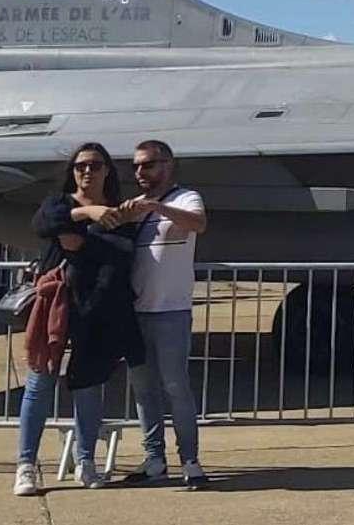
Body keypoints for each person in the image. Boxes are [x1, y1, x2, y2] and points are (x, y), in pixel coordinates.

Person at [14, 142, 144, 495]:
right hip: (55, 306)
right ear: (72, 170)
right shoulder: (60, 202)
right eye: (81, 165)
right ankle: (26, 465)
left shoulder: (120, 214)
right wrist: (89, 215)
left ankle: (86, 461)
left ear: (107, 171)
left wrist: (79, 240)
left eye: (96, 165)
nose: (88, 171)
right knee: (39, 384)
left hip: (98, 309)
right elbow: (44, 223)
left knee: (88, 388)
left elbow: (121, 253)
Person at [116, 139, 211, 489]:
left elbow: (198, 223)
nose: (141, 172)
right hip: (137, 311)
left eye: (148, 165)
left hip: (171, 310)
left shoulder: (185, 197)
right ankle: (154, 459)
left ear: (167, 165)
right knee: (143, 390)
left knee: (176, 387)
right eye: (137, 166)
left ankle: (191, 461)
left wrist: (156, 207)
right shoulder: (134, 206)